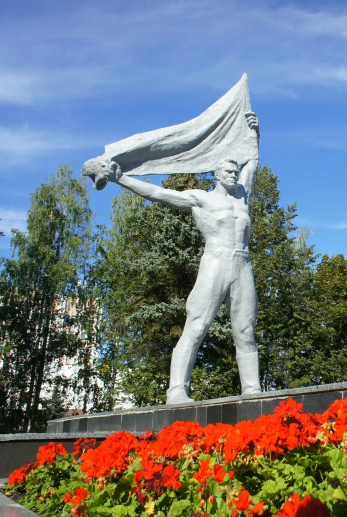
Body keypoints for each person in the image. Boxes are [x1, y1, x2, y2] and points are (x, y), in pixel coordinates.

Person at [103, 112, 260, 404]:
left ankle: (252, 390)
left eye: (235, 171)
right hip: (216, 262)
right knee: (198, 324)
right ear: (215, 173)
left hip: (243, 265)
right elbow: (157, 193)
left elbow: (251, 161)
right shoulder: (201, 199)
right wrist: (121, 178)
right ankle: (176, 390)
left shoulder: (243, 195)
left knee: (245, 329)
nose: (233, 174)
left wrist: (253, 132)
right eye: (228, 171)